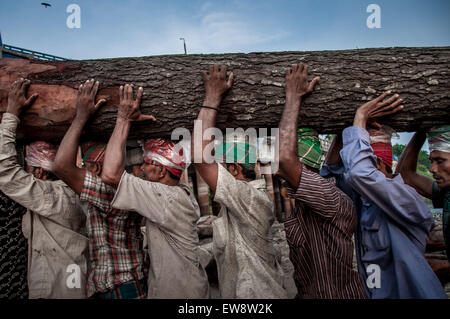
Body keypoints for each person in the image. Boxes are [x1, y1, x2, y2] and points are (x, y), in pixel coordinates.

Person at [323, 91, 447, 298]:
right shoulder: (365, 202)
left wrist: (361, 116)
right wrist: (345, 128)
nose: (350, 169)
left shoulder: (404, 198)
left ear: (378, 164)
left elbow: (359, 173)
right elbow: (331, 172)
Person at [100, 84, 209, 299]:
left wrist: (123, 118)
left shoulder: (165, 197)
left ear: (160, 171)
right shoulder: (179, 192)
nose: (140, 169)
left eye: (145, 163)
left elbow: (110, 174)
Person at [192, 64, 287, 298]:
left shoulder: (248, 197)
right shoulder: (239, 200)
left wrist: (212, 96)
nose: (216, 171)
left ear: (234, 169)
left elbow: (199, 158)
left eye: (221, 166)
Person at [276, 63, 366, 299]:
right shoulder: (303, 201)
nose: (276, 170)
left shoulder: (331, 198)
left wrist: (293, 97)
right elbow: (329, 162)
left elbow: (286, 159)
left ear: (302, 165)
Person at [53, 79, 147, 299]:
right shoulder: (127, 187)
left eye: (85, 166)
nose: (82, 170)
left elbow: (61, 166)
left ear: (94, 167)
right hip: (123, 284)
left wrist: (81, 117)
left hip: (120, 288)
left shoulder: (109, 192)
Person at [0, 78, 88, 298]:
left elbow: (5, 171)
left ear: (38, 173)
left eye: (27, 168)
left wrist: (11, 114)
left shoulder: (51, 197)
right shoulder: (75, 193)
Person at [396, 126, 450, 261]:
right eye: (432, 162)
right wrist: (422, 129)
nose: (432, 169)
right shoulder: (446, 193)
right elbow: (405, 176)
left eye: (440, 161)